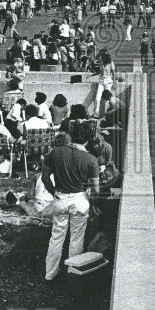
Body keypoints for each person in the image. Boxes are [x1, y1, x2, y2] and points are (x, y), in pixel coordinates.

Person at [41, 120, 100, 281]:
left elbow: (45, 177)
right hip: (79, 200)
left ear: (70, 136)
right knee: (76, 239)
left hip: (60, 197)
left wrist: (54, 192)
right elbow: (96, 189)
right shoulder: (91, 159)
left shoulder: (55, 153)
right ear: (88, 139)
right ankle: (73, 274)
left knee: (56, 237)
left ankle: (50, 273)